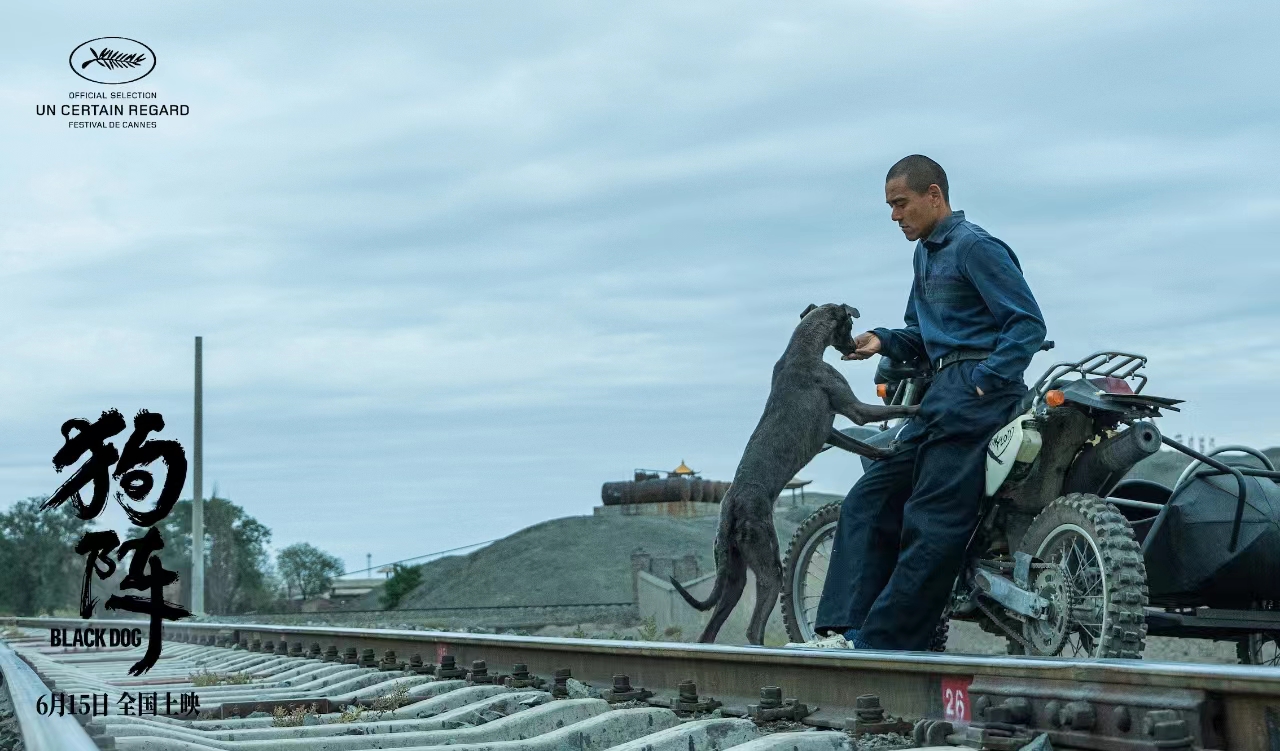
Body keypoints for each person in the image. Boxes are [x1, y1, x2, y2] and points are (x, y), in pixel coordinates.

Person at [809, 155, 1046, 651]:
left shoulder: (975, 248)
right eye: (890, 207)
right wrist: (882, 340)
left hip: (977, 397)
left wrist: (985, 380)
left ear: (933, 195)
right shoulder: (925, 254)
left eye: (901, 204)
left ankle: (882, 644)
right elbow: (920, 335)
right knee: (868, 498)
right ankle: (840, 631)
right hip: (937, 395)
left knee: (930, 518)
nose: (894, 215)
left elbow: (1027, 324)